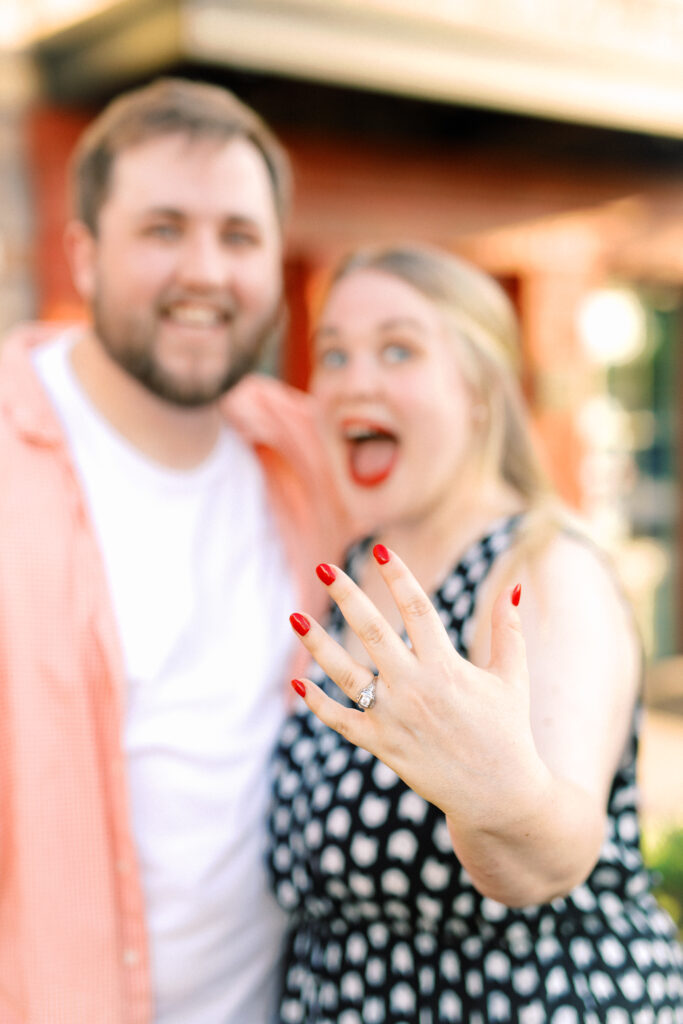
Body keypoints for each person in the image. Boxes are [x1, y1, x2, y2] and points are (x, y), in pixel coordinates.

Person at [0, 77, 348, 1023]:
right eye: (162, 229)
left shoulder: (312, 456)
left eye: (238, 236)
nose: (205, 271)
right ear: (83, 255)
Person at [268, 243, 683, 1023]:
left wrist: (503, 793)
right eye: (333, 353)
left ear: (479, 390)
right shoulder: (352, 571)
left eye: (398, 349)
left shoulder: (543, 570)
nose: (355, 379)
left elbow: (550, 857)